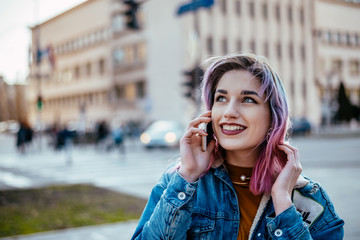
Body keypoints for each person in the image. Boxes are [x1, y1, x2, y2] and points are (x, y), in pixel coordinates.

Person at [131, 53, 344, 239]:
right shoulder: (179, 182)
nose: (229, 112)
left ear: (273, 117)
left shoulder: (311, 202)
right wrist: (187, 176)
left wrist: (283, 204)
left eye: (248, 100)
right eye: (221, 98)